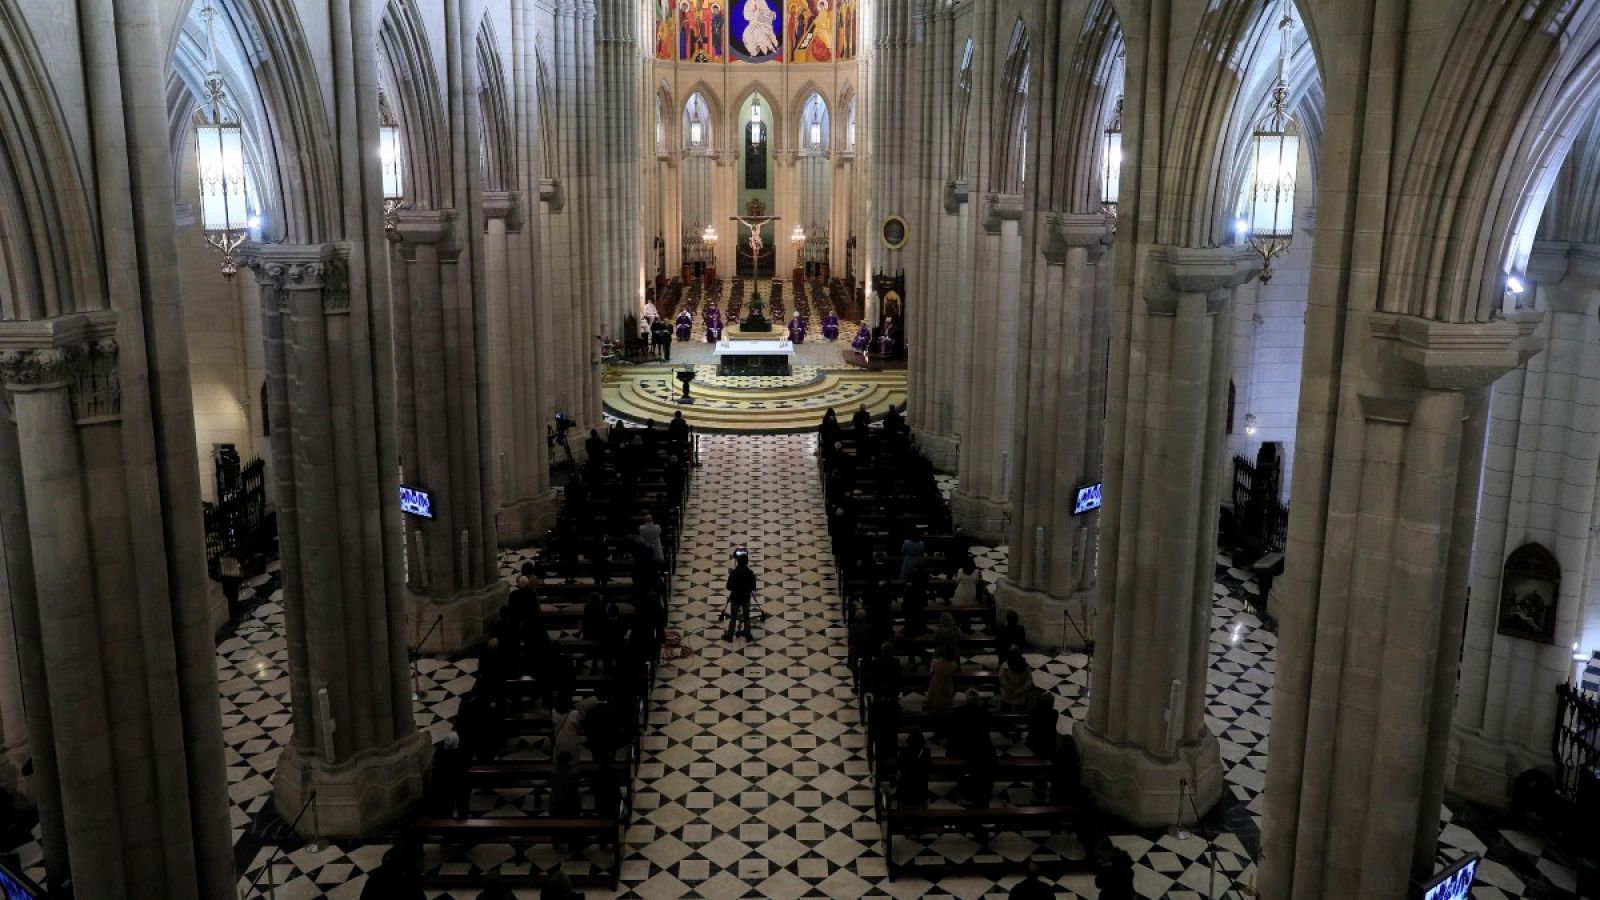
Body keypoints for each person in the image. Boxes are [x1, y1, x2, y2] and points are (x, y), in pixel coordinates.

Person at [429, 731, 471, 818]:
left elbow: (436, 767)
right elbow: (467, 764)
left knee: (447, 803)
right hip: (460, 781)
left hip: (444, 783)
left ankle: (447, 816)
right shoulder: (462, 753)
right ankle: (463, 815)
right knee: (462, 801)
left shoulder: (440, 753)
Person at [724, 548, 757, 640]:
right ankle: (748, 635)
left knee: (733, 617)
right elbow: (753, 587)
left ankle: (730, 635)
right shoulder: (750, 573)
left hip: (735, 598)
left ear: (737, 562)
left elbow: (729, 587)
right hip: (746, 598)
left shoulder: (734, 573)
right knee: (747, 617)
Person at [895, 730, 930, 809]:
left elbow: (900, 768)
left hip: (905, 791)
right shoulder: (927, 752)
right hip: (921, 791)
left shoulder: (903, 752)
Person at [548, 751, 583, 817]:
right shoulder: (574, 775)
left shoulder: (553, 774)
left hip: (555, 806)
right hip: (572, 806)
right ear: (569, 762)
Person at [925, 647, 958, 717]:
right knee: (946, 705)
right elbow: (954, 675)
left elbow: (930, 673)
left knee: (936, 703)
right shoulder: (953, 664)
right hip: (947, 685)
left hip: (936, 684)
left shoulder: (935, 662)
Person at [1026, 691, 1059, 758]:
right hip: (1049, 742)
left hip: (1035, 742)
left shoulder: (1033, 712)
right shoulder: (1054, 713)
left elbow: (1030, 726)